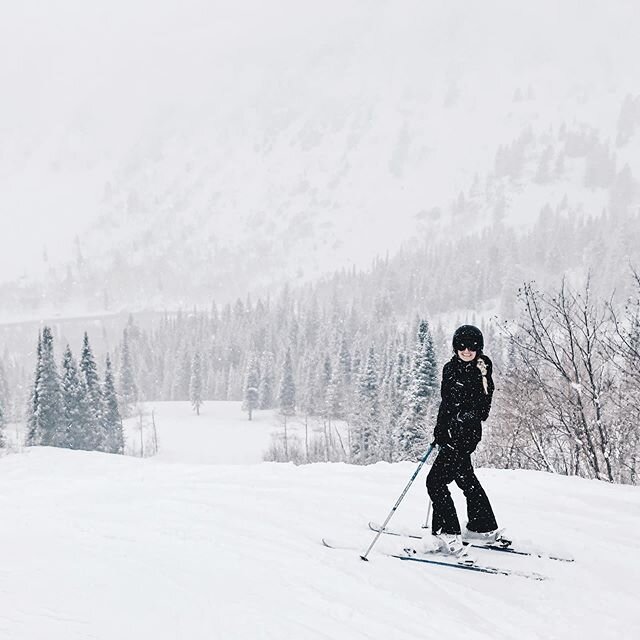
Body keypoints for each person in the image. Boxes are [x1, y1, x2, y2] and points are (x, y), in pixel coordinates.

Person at [425, 324, 500, 560]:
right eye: (462, 346)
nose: (466, 351)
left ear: (479, 348)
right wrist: (440, 428)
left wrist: (462, 417)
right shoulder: (449, 369)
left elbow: (483, 409)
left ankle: (449, 532)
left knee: (435, 482)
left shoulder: (482, 369)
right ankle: (482, 526)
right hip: (449, 433)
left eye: (472, 347)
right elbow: (445, 402)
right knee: (464, 477)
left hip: (466, 436)